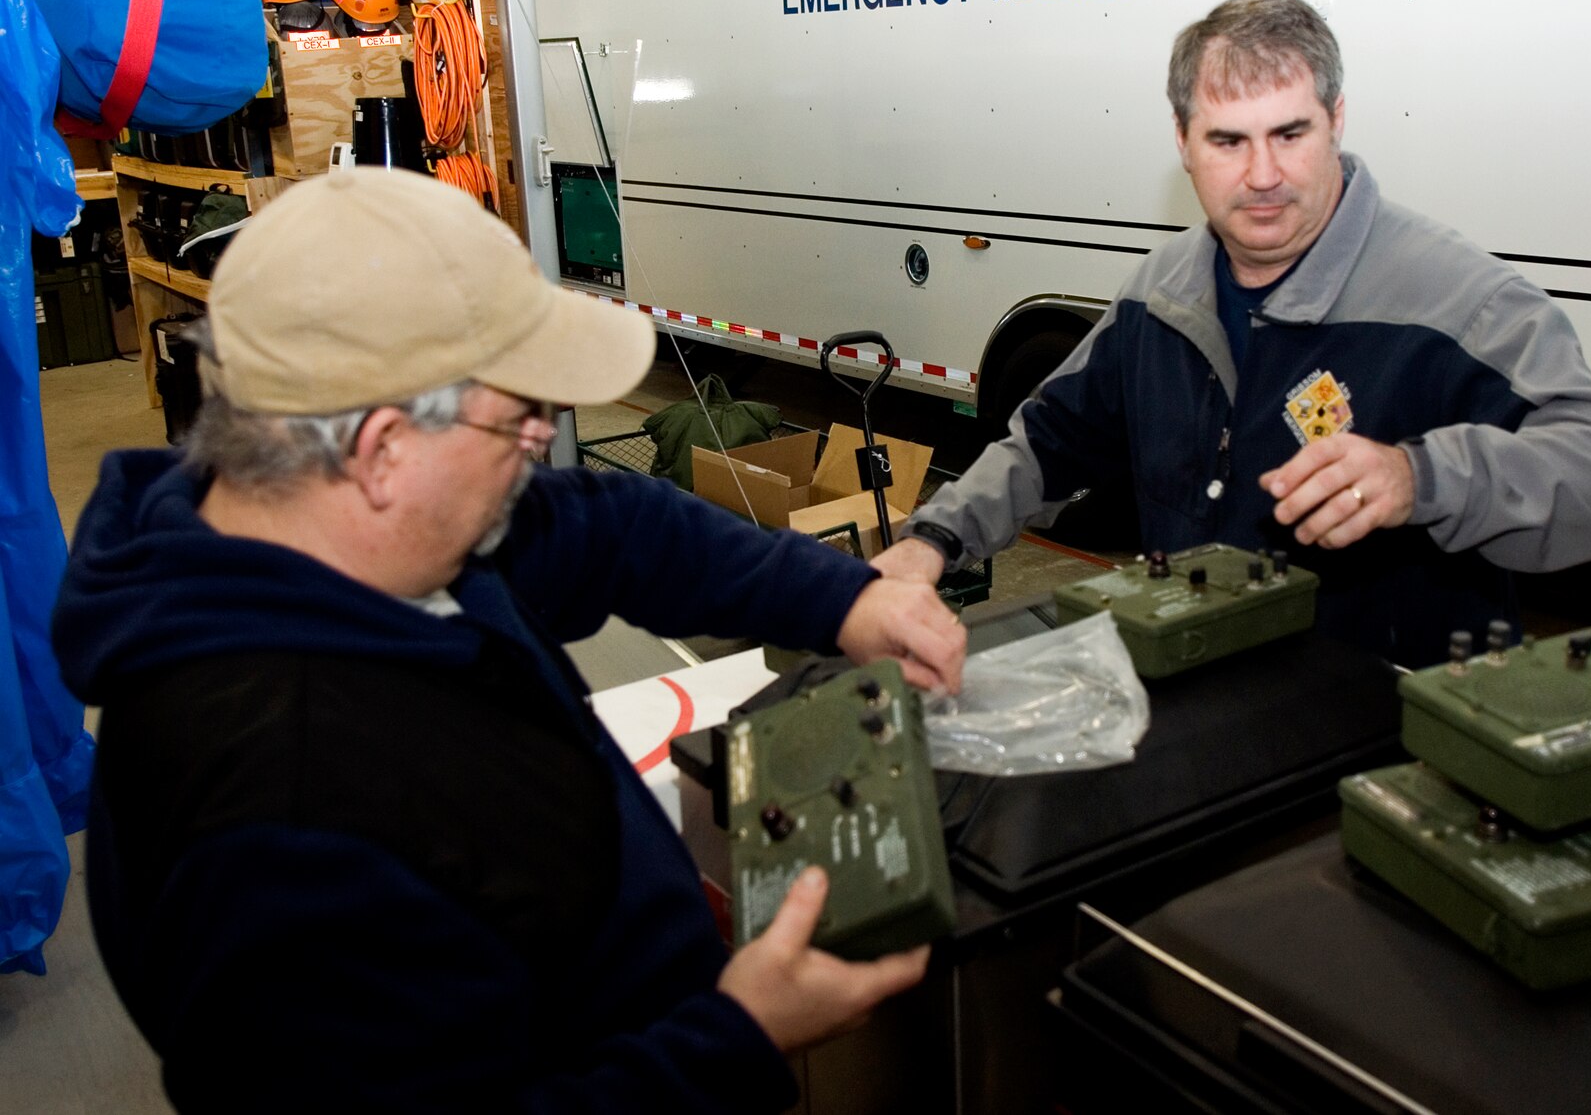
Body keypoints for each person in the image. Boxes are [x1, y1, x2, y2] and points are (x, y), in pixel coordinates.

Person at [53, 168, 967, 1112]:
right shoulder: (272, 829)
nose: (543, 442)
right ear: (382, 451)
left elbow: (611, 528)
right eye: (519, 419)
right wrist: (735, 1037)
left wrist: (841, 598)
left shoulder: (349, 537)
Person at [878, 0, 1591, 666]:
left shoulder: (1453, 300)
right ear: (1184, 145)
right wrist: (936, 538)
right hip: (1198, 700)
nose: (1262, 175)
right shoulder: (1161, 296)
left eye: (1290, 134)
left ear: (1336, 120)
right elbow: (1046, 442)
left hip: (1388, 749)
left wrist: (1422, 477)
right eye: (1228, 140)